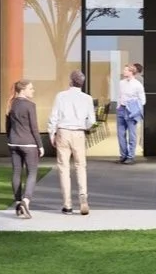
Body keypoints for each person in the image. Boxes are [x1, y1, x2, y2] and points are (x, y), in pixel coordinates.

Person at [46, 69, 98, 214]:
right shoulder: (87, 98)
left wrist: (51, 133)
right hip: (79, 133)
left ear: (70, 81)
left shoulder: (61, 96)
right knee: (81, 166)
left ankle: (67, 204)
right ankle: (83, 196)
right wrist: (84, 127)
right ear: (82, 83)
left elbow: (54, 117)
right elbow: (92, 121)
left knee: (64, 169)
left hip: (63, 132)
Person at [6, 80, 42, 218]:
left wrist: (10, 140)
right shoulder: (30, 105)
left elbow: (8, 125)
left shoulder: (11, 103)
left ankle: (18, 203)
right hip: (29, 144)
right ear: (23, 90)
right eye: (31, 88)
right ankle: (26, 201)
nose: (33, 91)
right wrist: (40, 145)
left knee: (16, 172)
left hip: (13, 143)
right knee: (32, 172)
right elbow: (34, 127)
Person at [115, 63, 146, 164]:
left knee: (132, 135)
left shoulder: (137, 85)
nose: (124, 71)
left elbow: (143, 100)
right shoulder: (121, 83)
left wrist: (134, 109)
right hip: (121, 110)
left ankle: (130, 156)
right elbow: (119, 95)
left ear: (131, 72)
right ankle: (123, 155)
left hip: (131, 111)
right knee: (120, 134)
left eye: (126, 70)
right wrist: (118, 106)